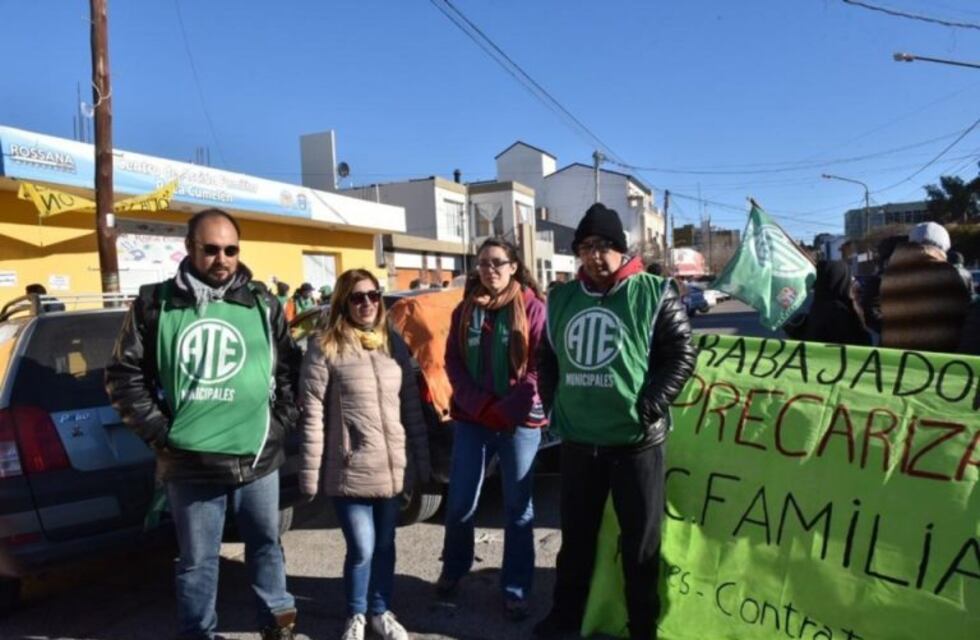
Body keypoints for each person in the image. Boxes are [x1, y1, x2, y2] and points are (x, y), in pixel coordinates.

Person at [105, 209, 301, 640]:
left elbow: (291, 369)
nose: (222, 259)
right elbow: (123, 376)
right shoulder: (154, 303)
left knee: (267, 546)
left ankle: (278, 624)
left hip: (257, 458)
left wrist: (279, 424)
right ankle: (198, 633)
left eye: (231, 250)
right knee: (198, 561)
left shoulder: (263, 303)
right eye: (211, 249)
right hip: (190, 462)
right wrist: (162, 434)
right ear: (189, 248)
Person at [534, 203, 698, 640]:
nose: (595, 255)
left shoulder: (654, 292)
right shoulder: (561, 298)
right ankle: (565, 616)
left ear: (621, 249)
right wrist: (554, 406)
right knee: (576, 541)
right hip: (579, 442)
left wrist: (649, 407)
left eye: (604, 245)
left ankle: (642, 626)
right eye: (586, 247)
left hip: (635, 444)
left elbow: (682, 355)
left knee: (640, 544)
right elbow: (546, 357)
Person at [297, 269, 430, 640]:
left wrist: (421, 459)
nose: (368, 303)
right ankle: (356, 614)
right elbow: (312, 415)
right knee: (362, 548)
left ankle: (380, 611)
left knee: (385, 545)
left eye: (374, 295)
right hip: (350, 468)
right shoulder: (325, 345)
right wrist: (309, 473)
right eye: (357, 297)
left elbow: (411, 408)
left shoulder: (393, 343)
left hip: (392, 467)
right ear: (343, 303)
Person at [436, 238, 547, 620]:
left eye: (498, 262)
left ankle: (516, 588)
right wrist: (481, 406)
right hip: (473, 419)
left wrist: (508, 409)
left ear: (514, 266)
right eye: (483, 263)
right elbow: (452, 362)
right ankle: (454, 568)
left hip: (520, 422)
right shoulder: (465, 309)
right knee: (460, 502)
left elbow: (539, 368)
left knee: (518, 508)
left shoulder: (533, 308)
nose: (490, 269)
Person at [880, 221, 972, 352]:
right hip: (935, 356)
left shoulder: (890, 274)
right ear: (943, 247)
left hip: (897, 355)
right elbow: (962, 314)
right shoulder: (946, 273)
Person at [783, 261, 871, 346]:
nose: (852, 280)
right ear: (841, 279)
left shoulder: (818, 305)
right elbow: (861, 343)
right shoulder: (840, 310)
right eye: (850, 277)